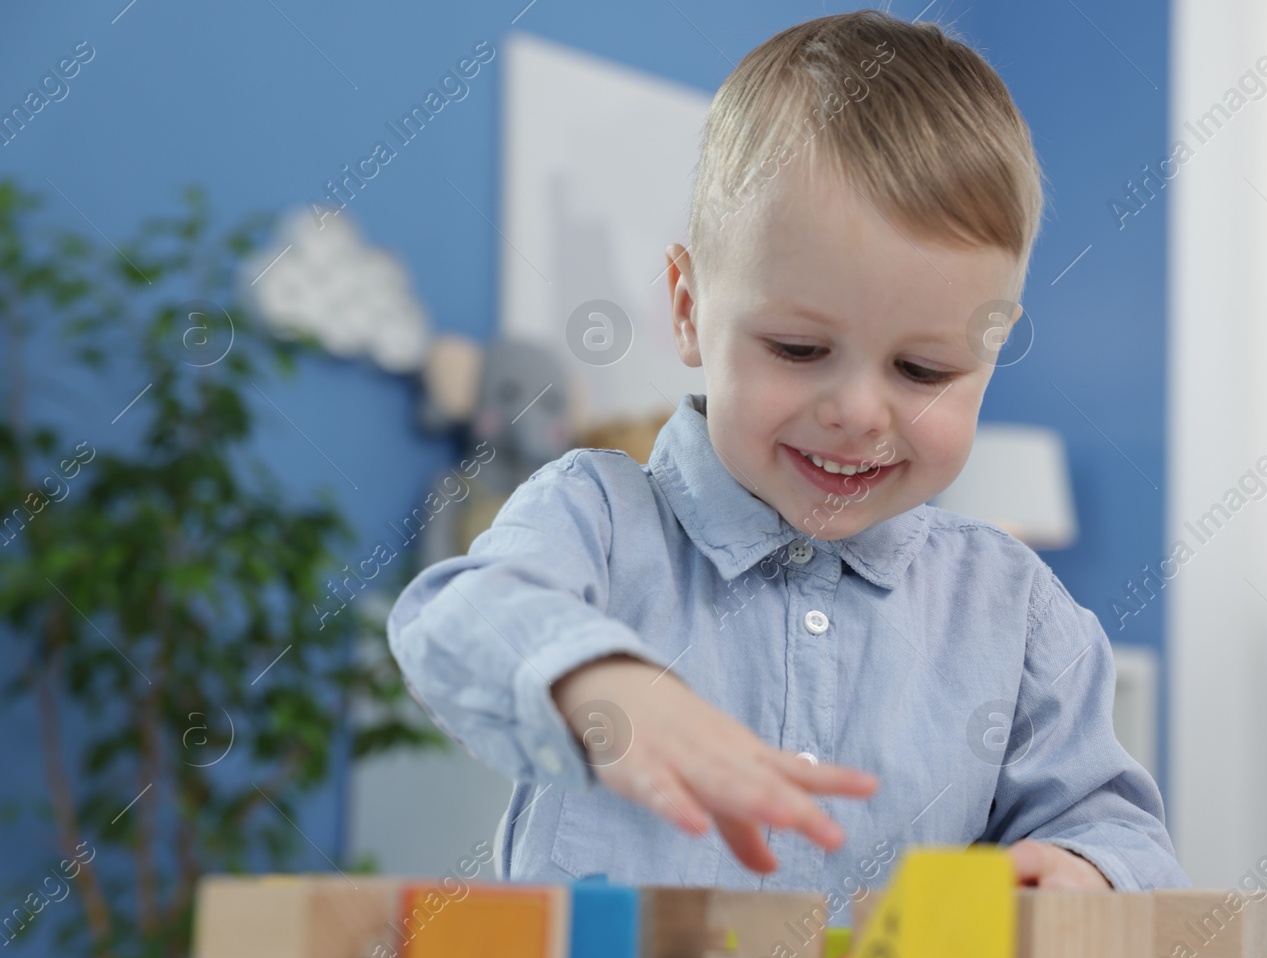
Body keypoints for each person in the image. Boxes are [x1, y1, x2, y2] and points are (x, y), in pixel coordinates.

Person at [387, 11, 1187, 899]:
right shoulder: (596, 518)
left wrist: (1080, 871)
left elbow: (1119, 829)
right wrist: (591, 679)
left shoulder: (1017, 611)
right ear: (689, 309)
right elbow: (450, 625)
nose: (854, 410)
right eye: (799, 351)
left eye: (922, 369)